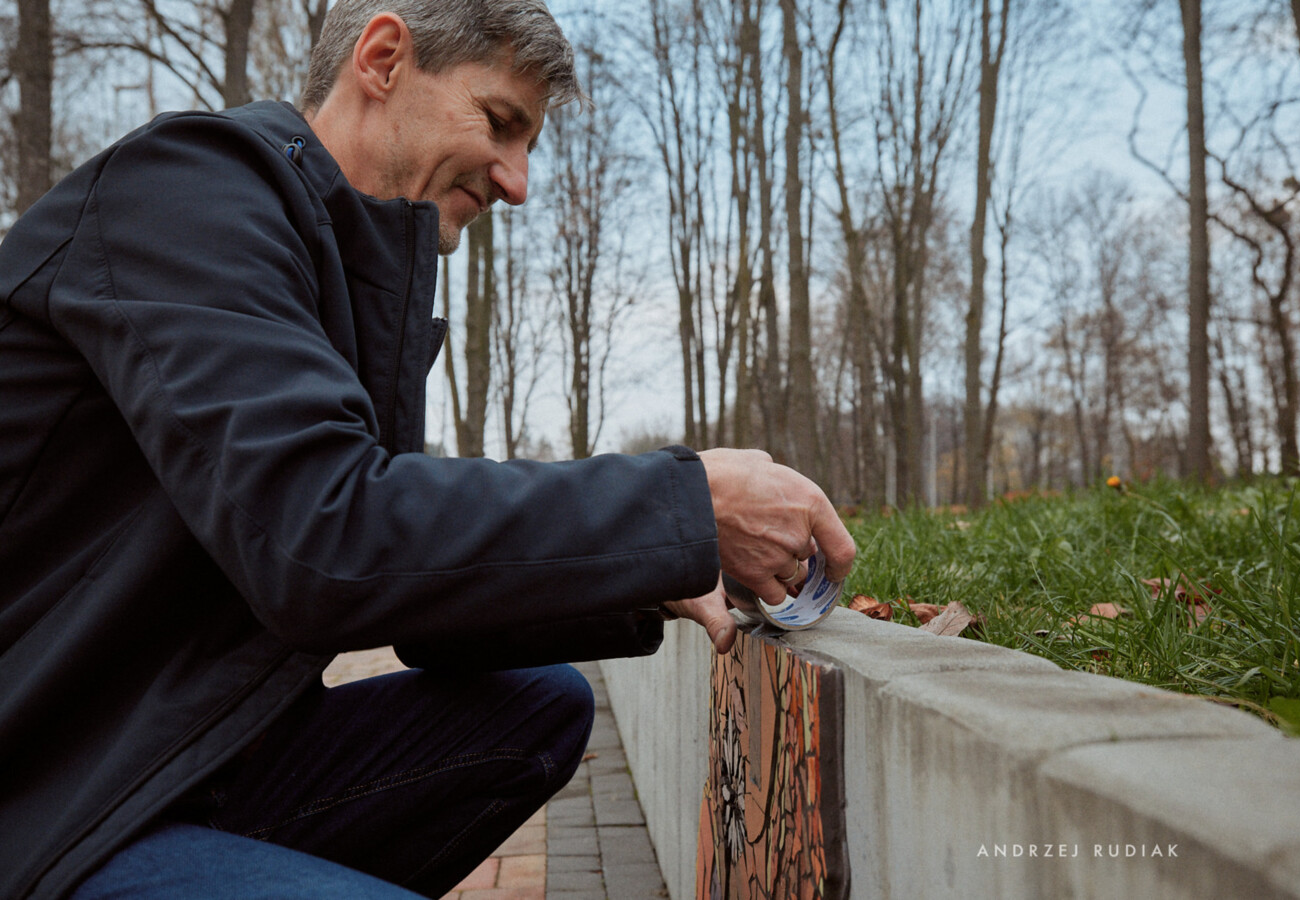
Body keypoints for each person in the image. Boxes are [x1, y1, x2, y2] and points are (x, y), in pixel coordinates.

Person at [0, 1, 855, 897]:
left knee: (542, 705)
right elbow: (325, 542)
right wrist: (685, 503)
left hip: (157, 762)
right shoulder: (184, 192)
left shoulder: (331, 266)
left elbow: (407, 601)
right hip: (45, 795)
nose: (518, 183)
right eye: (500, 122)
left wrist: (655, 570)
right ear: (381, 58)